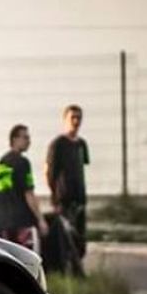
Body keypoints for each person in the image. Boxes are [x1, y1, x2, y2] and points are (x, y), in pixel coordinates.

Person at [0, 124, 48, 251]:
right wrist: (41, 219)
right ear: (14, 139)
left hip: (4, 220)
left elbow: (2, 191)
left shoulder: (3, 162)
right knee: (26, 255)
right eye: (25, 138)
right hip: (21, 220)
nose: (29, 141)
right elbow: (29, 193)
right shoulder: (23, 162)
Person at [45, 105, 90, 259]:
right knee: (66, 238)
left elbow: (81, 168)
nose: (76, 121)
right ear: (65, 120)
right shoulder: (58, 144)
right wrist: (55, 197)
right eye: (73, 118)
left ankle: (78, 264)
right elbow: (49, 171)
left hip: (79, 199)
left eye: (79, 118)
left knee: (79, 238)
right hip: (64, 199)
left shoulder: (81, 144)